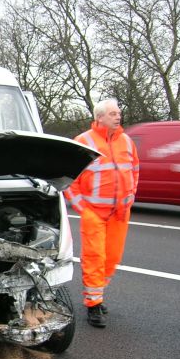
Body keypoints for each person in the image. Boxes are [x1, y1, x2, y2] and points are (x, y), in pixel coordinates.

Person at [64, 99, 139, 328]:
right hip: (94, 213)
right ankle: (93, 304)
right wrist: (82, 208)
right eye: (113, 113)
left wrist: (131, 195)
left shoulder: (126, 141)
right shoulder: (84, 142)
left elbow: (134, 169)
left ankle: (98, 295)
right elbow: (69, 179)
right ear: (100, 118)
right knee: (95, 257)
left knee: (112, 258)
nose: (118, 117)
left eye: (119, 113)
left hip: (120, 212)